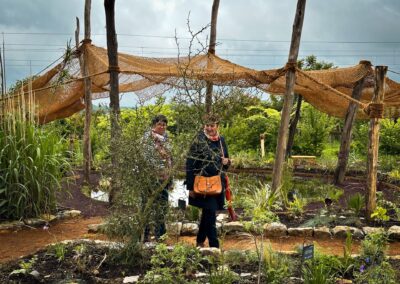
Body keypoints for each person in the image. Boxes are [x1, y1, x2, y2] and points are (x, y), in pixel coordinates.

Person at [185, 113, 231, 248]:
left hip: (217, 183)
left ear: (217, 126)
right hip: (202, 184)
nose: (210, 128)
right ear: (204, 126)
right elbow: (190, 164)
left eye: (212, 125)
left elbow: (227, 162)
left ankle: (199, 241)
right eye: (207, 125)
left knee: (208, 213)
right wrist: (190, 187)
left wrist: (227, 162)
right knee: (210, 213)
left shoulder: (221, 140)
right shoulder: (198, 140)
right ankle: (214, 246)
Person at [144, 114, 173, 242]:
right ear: (153, 125)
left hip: (164, 178)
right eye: (159, 124)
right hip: (150, 178)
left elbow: (170, 156)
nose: (162, 126)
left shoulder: (166, 138)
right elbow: (146, 157)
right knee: (146, 207)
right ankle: (144, 236)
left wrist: (169, 176)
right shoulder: (147, 138)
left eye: (164, 124)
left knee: (162, 207)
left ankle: (160, 236)